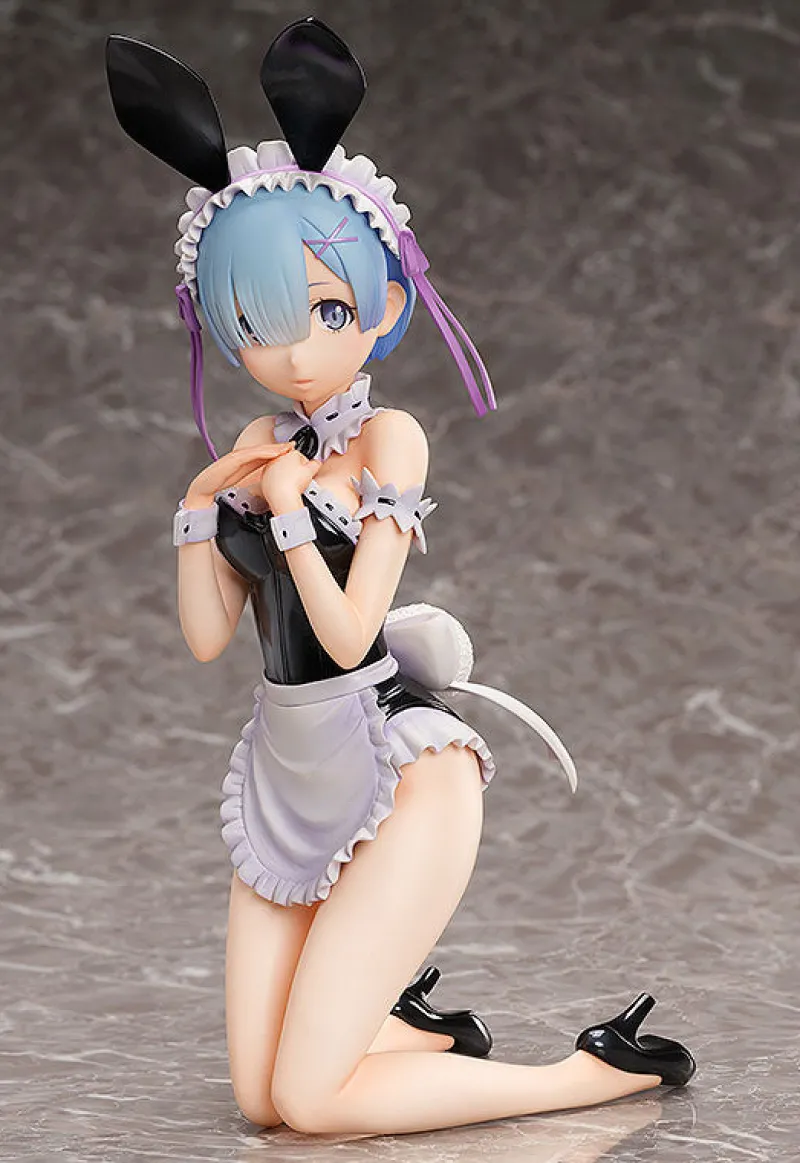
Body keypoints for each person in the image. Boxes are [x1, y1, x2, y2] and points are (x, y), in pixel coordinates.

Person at [106, 17, 695, 1136]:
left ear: (380, 306)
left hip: (398, 764)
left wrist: (286, 513)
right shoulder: (259, 439)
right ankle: (417, 1030)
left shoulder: (391, 439)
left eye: (323, 311)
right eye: (251, 322)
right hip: (284, 769)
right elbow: (207, 638)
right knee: (259, 1102)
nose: (289, 351)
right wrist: (197, 510)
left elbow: (347, 633)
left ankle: (595, 1072)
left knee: (309, 1102)